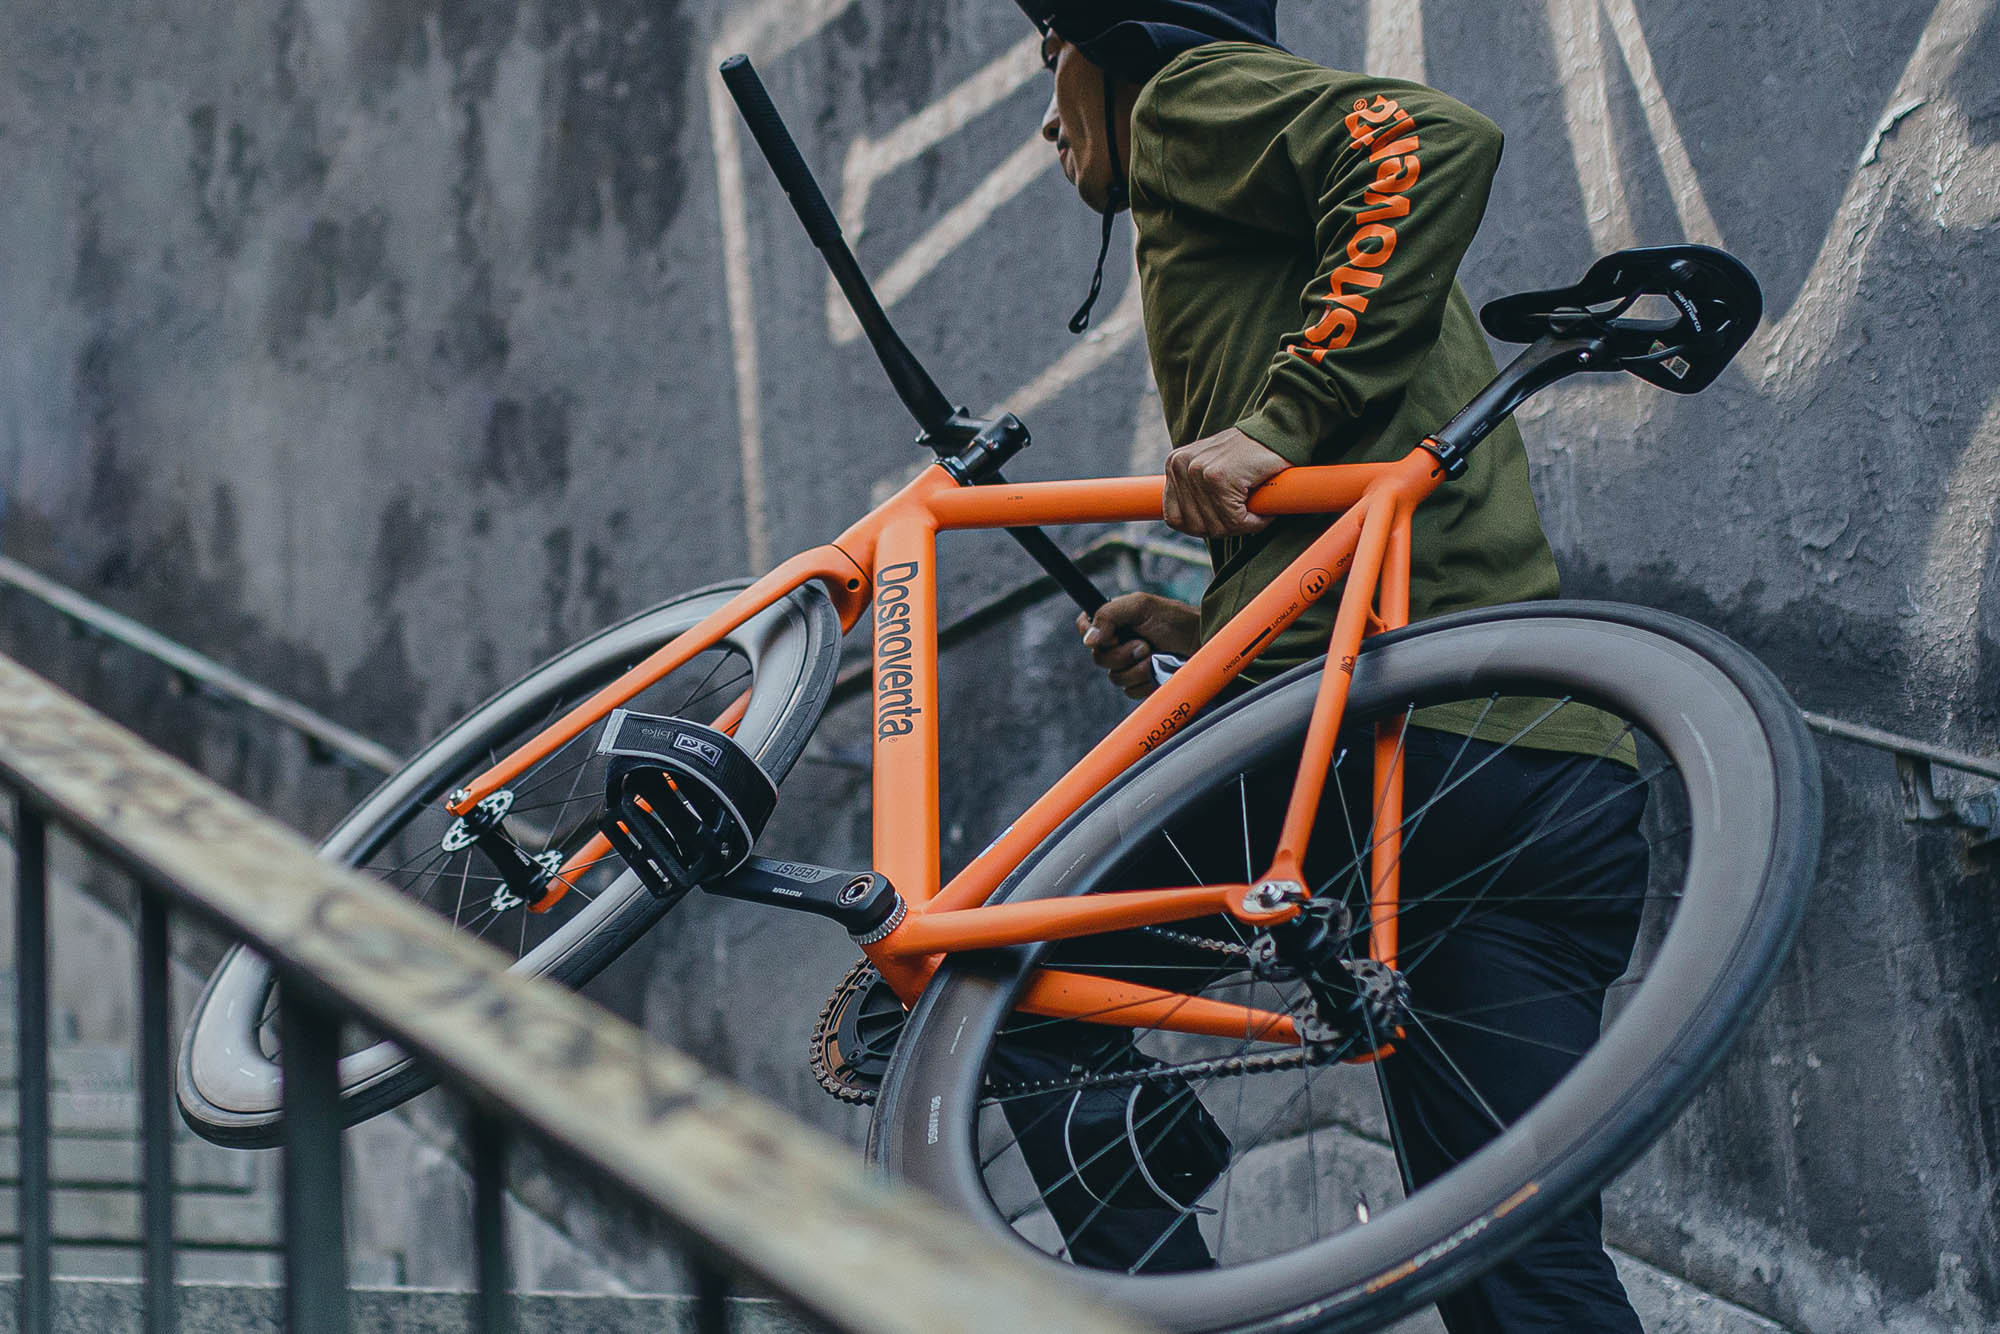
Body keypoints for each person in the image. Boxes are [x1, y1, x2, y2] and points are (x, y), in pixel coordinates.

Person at [1013, 3, 1652, 1329]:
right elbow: (1390, 514)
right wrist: (1209, 622)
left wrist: (1279, 423)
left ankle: (1166, 1286)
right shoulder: (1292, 216)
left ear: (1118, 41)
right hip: (1546, 771)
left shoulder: (1186, 99)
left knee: (995, 996)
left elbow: (1433, 135)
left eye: (1049, 55)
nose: (1044, 113)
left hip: (1376, 740)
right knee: (1515, 1261)